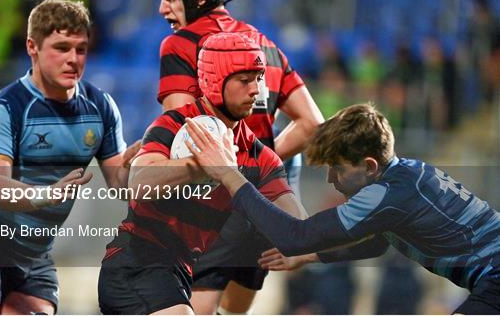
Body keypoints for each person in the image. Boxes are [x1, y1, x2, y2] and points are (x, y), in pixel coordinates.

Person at [185, 103, 500, 314]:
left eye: (337, 168)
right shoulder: (410, 173)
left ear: (369, 165)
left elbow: (295, 235)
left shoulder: (386, 194)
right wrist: (313, 256)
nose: (330, 178)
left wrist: (229, 174)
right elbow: (379, 242)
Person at [98, 32, 307, 315]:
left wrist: (308, 245)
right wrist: (199, 165)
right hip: (135, 262)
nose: (255, 90)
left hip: (182, 271)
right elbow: (139, 183)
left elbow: (297, 224)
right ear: (215, 79)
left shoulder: (261, 157)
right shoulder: (173, 125)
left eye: (259, 78)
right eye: (244, 80)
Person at [0, 0, 140, 314]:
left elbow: (120, 184)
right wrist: (47, 195)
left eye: (80, 49)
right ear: (33, 47)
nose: (73, 59)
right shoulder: (7, 109)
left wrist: (146, 157)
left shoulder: (101, 108)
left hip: (34, 253)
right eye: (61, 48)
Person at [157, 0, 323, 313]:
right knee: (232, 310)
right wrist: (255, 164)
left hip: (212, 203)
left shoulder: (181, 44)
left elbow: (184, 131)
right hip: (261, 204)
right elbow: (313, 124)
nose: (163, 7)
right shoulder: (266, 45)